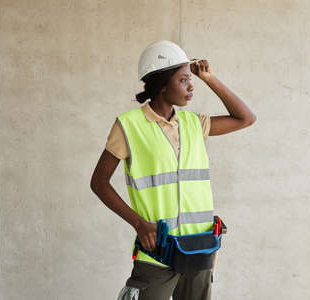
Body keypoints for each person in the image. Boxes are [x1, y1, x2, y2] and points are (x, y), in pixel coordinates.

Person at [90, 40, 256, 300]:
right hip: (158, 250)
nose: (191, 86)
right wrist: (139, 224)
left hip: (199, 248)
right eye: (183, 80)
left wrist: (209, 78)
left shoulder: (194, 124)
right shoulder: (128, 125)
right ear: (162, 84)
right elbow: (99, 183)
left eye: (190, 80)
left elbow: (245, 118)